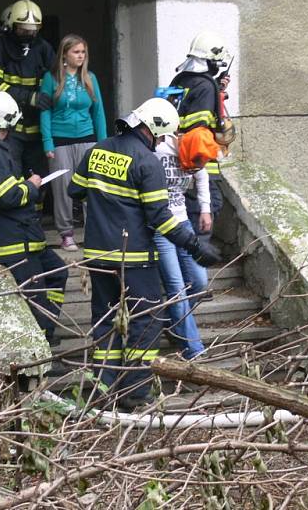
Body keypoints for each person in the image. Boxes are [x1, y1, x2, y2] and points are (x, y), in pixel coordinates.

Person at [68, 98, 220, 411]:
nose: (163, 142)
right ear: (154, 130)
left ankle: (102, 388)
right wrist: (194, 245)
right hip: (134, 257)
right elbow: (161, 218)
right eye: (164, 136)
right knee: (146, 322)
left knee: (105, 321)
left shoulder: (96, 150)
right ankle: (135, 393)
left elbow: (74, 190)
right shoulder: (146, 162)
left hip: (97, 255)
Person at [0, 91, 67, 345]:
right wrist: (31, 185)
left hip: (26, 239)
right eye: (9, 126)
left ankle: (48, 334)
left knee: (57, 274)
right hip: (14, 244)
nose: (10, 132)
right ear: (3, 123)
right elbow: (7, 197)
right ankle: (42, 357)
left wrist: (26, 186)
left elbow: (3, 189)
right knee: (35, 303)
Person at [38, 34, 107, 252]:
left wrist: (102, 143)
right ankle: (66, 233)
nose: (81, 56)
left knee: (90, 187)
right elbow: (45, 111)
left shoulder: (90, 78)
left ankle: (93, 233)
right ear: (64, 54)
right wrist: (47, 143)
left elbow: (99, 112)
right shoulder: (51, 78)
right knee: (62, 188)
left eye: (83, 52)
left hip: (87, 139)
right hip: (60, 140)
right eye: (76, 52)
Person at [0, 0, 55, 179]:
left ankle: (36, 208)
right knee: (11, 176)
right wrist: (30, 98)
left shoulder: (43, 48)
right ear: (11, 26)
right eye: (23, 30)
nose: (28, 34)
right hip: (8, 130)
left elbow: (57, 79)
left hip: (38, 131)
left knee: (40, 179)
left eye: (33, 30)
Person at [169, 31, 232, 242]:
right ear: (210, 60)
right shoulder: (206, 86)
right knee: (207, 208)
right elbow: (199, 128)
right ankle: (197, 262)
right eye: (217, 62)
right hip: (198, 162)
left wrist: (217, 90)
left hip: (176, 158)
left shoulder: (180, 79)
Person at [153, 133, 210, 359]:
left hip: (183, 222)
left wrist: (205, 208)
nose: (194, 169)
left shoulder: (196, 151)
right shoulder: (157, 151)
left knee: (199, 281)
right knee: (176, 287)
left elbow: (203, 177)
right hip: (160, 227)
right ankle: (193, 349)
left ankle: (169, 321)